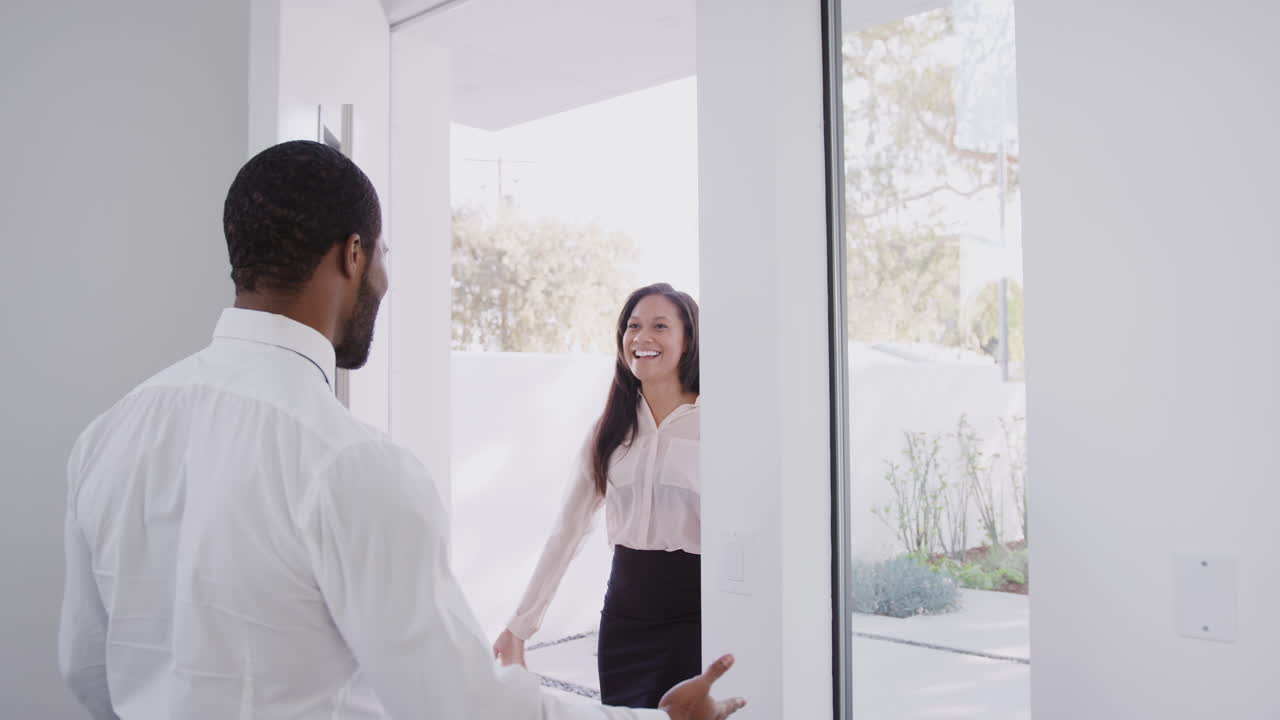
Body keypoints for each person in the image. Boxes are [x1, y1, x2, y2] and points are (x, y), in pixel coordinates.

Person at [57, 140, 745, 720]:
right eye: (383, 253)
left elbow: (88, 669)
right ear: (353, 255)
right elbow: (461, 708)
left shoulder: (111, 434)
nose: (384, 276)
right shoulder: (351, 465)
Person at [494, 283, 704, 709]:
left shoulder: (717, 423)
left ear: (688, 340)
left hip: (695, 619)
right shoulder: (610, 428)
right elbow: (566, 531)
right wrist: (520, 626)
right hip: (624, 617)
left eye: (659, 326)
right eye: (633, 326)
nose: (642, 337)